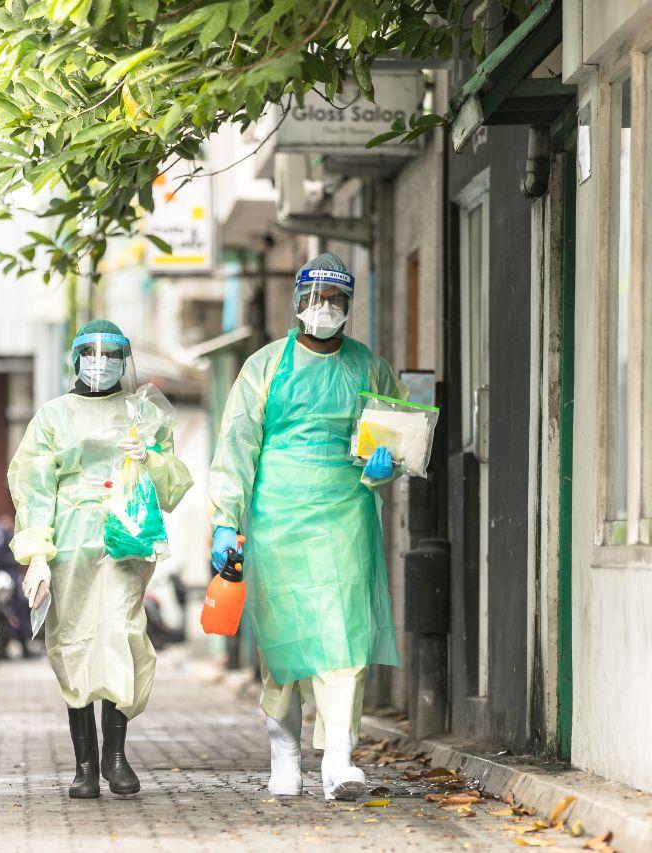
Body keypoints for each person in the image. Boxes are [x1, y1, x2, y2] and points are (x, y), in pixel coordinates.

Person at [208, 253, 405, 801]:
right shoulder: (264, 367)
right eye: (317, 298)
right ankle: (285, 753)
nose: (325, 308)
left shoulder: (371, 369)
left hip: (346, 514)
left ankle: (339, 759)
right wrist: (225, 520)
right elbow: (237, 445)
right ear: (299, 302)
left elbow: (396, 433)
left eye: (336, 300)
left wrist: (384, 466)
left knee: (345, 638)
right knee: (284, 642)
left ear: (349, 306)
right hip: (278, 515)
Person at [8, 320, 193, 800]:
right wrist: (37, 555)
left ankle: (116, 757)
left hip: (125, 538)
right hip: (69, 543)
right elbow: (33, 488)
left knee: (120, 633)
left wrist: (151, 457)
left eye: (111, 354)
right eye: (91, 353)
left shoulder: (142, 412)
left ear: (124, 359)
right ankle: (85, 766)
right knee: (73, 643)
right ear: (75, 359)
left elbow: (173, 484)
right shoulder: (52, 416)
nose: (100, 362)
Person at [0, 513, 36, 656]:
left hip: (11, 574)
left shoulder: (2, 532)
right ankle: (8, 648)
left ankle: (22, 645)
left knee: (19, 609)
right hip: (7, 574)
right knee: (10, 610)